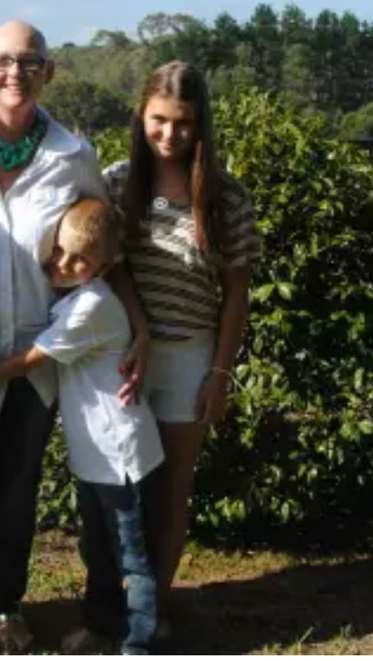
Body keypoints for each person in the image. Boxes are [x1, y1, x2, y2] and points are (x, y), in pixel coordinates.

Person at [0, 19, 149, 654]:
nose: (15, 72)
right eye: (3, 61)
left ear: (49, 71)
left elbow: (105, 247)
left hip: (30, 357)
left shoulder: (74, 156)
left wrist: (139, 326)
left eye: (30, 61)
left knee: (14, 495)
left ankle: (4, 607)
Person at [102, 60, 261, 641]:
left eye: (183, 122)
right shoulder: (117, 183)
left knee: (171, 492)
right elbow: (106, 266)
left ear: (201, 125)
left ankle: (154, 611)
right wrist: (138, 325)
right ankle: (108, 608)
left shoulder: (226, 197)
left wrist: (220, 371)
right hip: (123, 357)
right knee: (118, 490)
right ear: (141, 117)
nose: (170, 134)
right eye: (159, 120)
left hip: (192, 356)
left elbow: (237, 293)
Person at [0, 197, 163, 655]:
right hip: (93, 455)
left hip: (119, 455)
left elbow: (29, 360)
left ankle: (138, 643)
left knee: (131, 557)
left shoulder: (93, 307)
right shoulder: (75, 298)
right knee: (96, 550)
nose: (63, 264)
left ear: (105, 265)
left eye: (80, 259)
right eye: (59, 250)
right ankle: (101, 627)